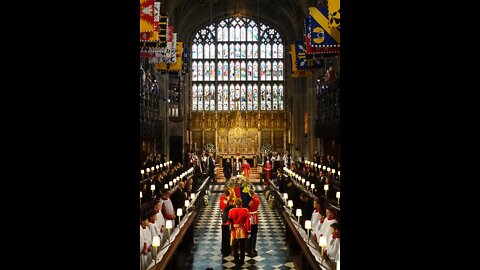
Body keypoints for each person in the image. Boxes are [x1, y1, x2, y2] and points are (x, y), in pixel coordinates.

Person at [228, 198, 250, 266]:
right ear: (241, 204)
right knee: (243, 247)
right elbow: (247, 222)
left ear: (235, 204)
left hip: (234, 230)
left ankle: (236, 261)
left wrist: (230, 228)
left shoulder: (231, 211)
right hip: (242, 230)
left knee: (235, 247)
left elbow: (229, 221)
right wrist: (248, 230)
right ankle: (242, 261)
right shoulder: (245, 210)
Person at [220, 189, 235, 256]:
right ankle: (227, 250)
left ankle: (224, 249)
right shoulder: (226, 202)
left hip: (224, 219)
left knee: (224, 236)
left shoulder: (222, 200)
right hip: (227, 219)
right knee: (227, 235)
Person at [247, 189, 260, 256]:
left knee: (249, 234)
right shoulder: (257, 200)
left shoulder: (248, 201)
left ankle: (249, 248)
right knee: (254, 235)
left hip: (249, 218)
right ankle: (253, 248)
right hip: (255, 217)